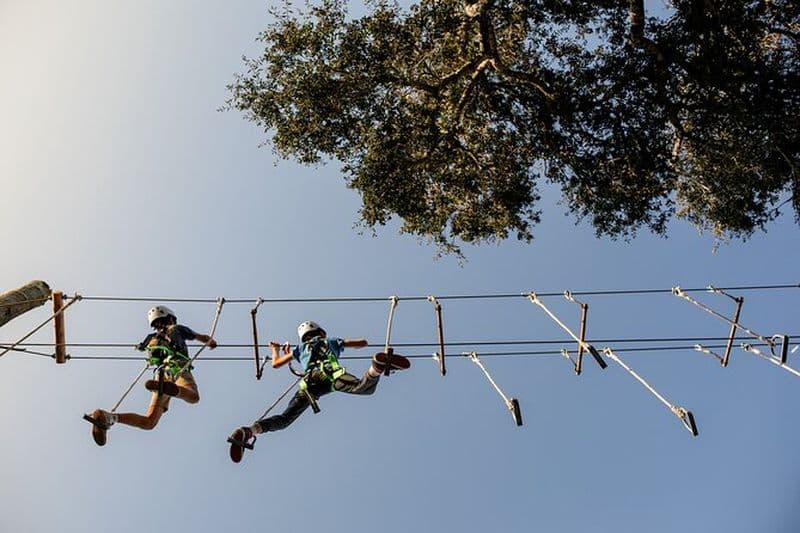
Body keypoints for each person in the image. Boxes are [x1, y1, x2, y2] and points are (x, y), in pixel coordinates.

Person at [228, 320, 410, 463]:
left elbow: (276, 364)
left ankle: (248, 431)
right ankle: (376, 367)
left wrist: (275, 350)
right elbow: (363, 342)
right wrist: (347, 345)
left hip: (308, 384)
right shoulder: (330, 341)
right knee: (364, 388)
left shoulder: (299, 349)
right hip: (331, 376)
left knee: (284, 419)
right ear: (321, 332)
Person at [85, 305, 217, 446]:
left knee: (149, 422)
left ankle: (108, 417)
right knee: (193, 397)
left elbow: (142, 347)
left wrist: (141, 346)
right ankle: (171, 389)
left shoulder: (151, 338)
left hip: (160, 375)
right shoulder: (176, 328)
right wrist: (211, 342)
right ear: (171, 318)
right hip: (177, 367)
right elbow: (201, 337)